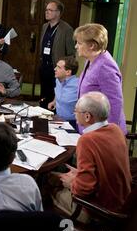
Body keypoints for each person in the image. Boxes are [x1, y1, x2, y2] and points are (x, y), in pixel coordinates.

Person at [51, 92, 131, 221]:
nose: (74, 113)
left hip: (100, 210)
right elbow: (103, 167)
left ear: (87, 116)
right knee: (55, 177)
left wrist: (72, 183)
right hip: (121, 202)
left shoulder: (87, 140)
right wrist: (79, 173)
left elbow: (83, 190)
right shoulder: (116, 129)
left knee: (47, 184)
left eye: (75, 111)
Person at [74, 23, 127, 134]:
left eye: (79, 43)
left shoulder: (105, 66)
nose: (76, 46)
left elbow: (114, 103)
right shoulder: (90, 60)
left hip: (102, 133)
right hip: (90, 128)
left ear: (92, 45)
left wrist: (106, 135)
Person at [39, 0, 75, 108]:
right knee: (43, 98)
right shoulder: (45, 26)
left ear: (58, 13)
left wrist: (64, 70)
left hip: (57, 70)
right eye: (46, 10)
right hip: (44, 68)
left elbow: (71, 54)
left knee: (53, 100)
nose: (47, 12)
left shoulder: (66, 29)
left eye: (50, 10)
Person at [47, 56, 79, 129]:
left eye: (58, 67)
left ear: (68, 72)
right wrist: (54, 101)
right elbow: (58, 91)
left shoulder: (79, 86)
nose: (55, 69)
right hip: (58, 120)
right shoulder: (58, 80)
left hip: (73, 124)